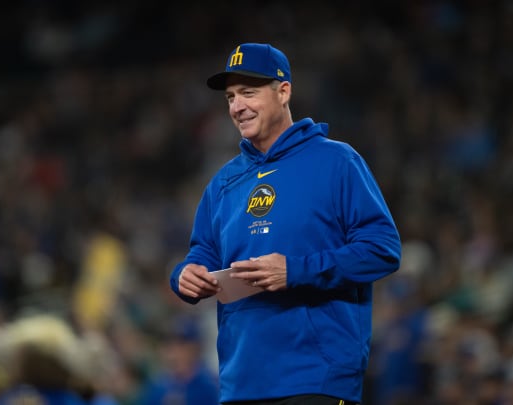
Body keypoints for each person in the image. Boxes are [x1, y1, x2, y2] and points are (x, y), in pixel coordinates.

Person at [169, 43, 402, 405]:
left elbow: (381, 249)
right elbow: (202, 252)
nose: (237, 106)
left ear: (284, 91)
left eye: (248, 92)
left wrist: (295, 271)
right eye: (230, 97)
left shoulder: (337, 161)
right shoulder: (223, 183)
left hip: (315, 378)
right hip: (241, 381)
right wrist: (185, 275)